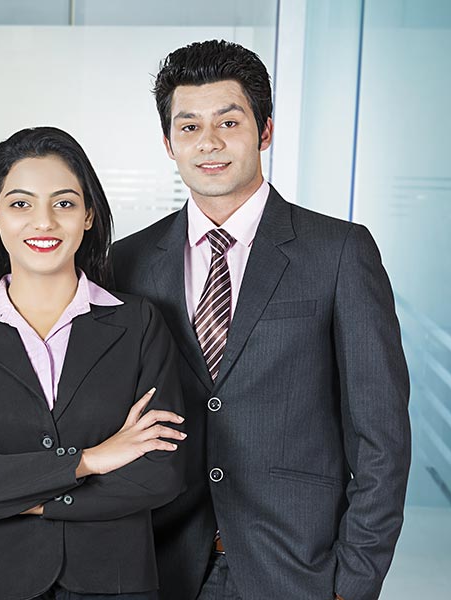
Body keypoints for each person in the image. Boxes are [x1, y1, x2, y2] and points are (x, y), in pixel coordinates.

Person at [113, 40, 411, 600]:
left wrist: (354, 581)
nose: (209, 142)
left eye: (230, 120)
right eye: (189, 126)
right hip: (161, 567)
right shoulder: (126, 264)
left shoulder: (338, 252)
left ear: (265, 131)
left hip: (296, 569)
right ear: (168, 142)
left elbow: (383, 439)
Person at [0, 127, 187, 600]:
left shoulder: (138, 324)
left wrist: (12, 493)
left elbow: (159, 473)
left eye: (63, 203)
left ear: (88, 217)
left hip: (113, 586)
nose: (44, 222)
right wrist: (92, 460)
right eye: (21, 204)